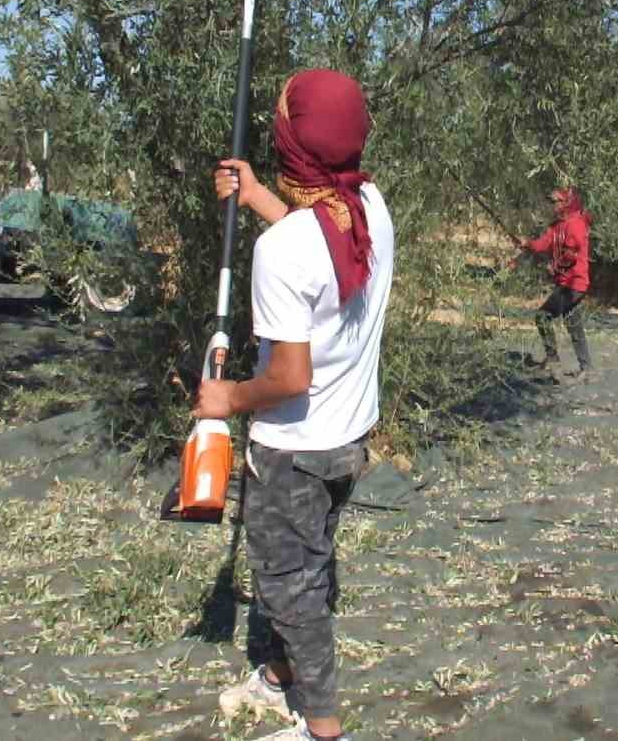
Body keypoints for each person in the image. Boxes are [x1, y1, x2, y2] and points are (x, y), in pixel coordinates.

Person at [196, 69, 393, 741]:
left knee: (289, 586)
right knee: (313, 560)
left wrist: (226, 397)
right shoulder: (368, 205)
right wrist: (256, 197)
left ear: (293, 142)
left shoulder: (281, 252)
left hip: (295, 450)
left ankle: (322, 727)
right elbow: (320, 258)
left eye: (282, 114)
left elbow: (288, 376)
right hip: (349, 439)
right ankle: (280, 674)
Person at [517, 186, 593, 383]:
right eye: (552, 202)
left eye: (556, 202)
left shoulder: (576, 223)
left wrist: (556, 266)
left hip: (574, 284)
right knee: (573, 325)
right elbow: (543, 243)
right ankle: (587, 369)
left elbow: (572, 253)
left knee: (542, 317)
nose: (553, 206)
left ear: (567, 202)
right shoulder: (557, 226)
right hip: (567, 284)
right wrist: (528, 244)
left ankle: (554, 364)